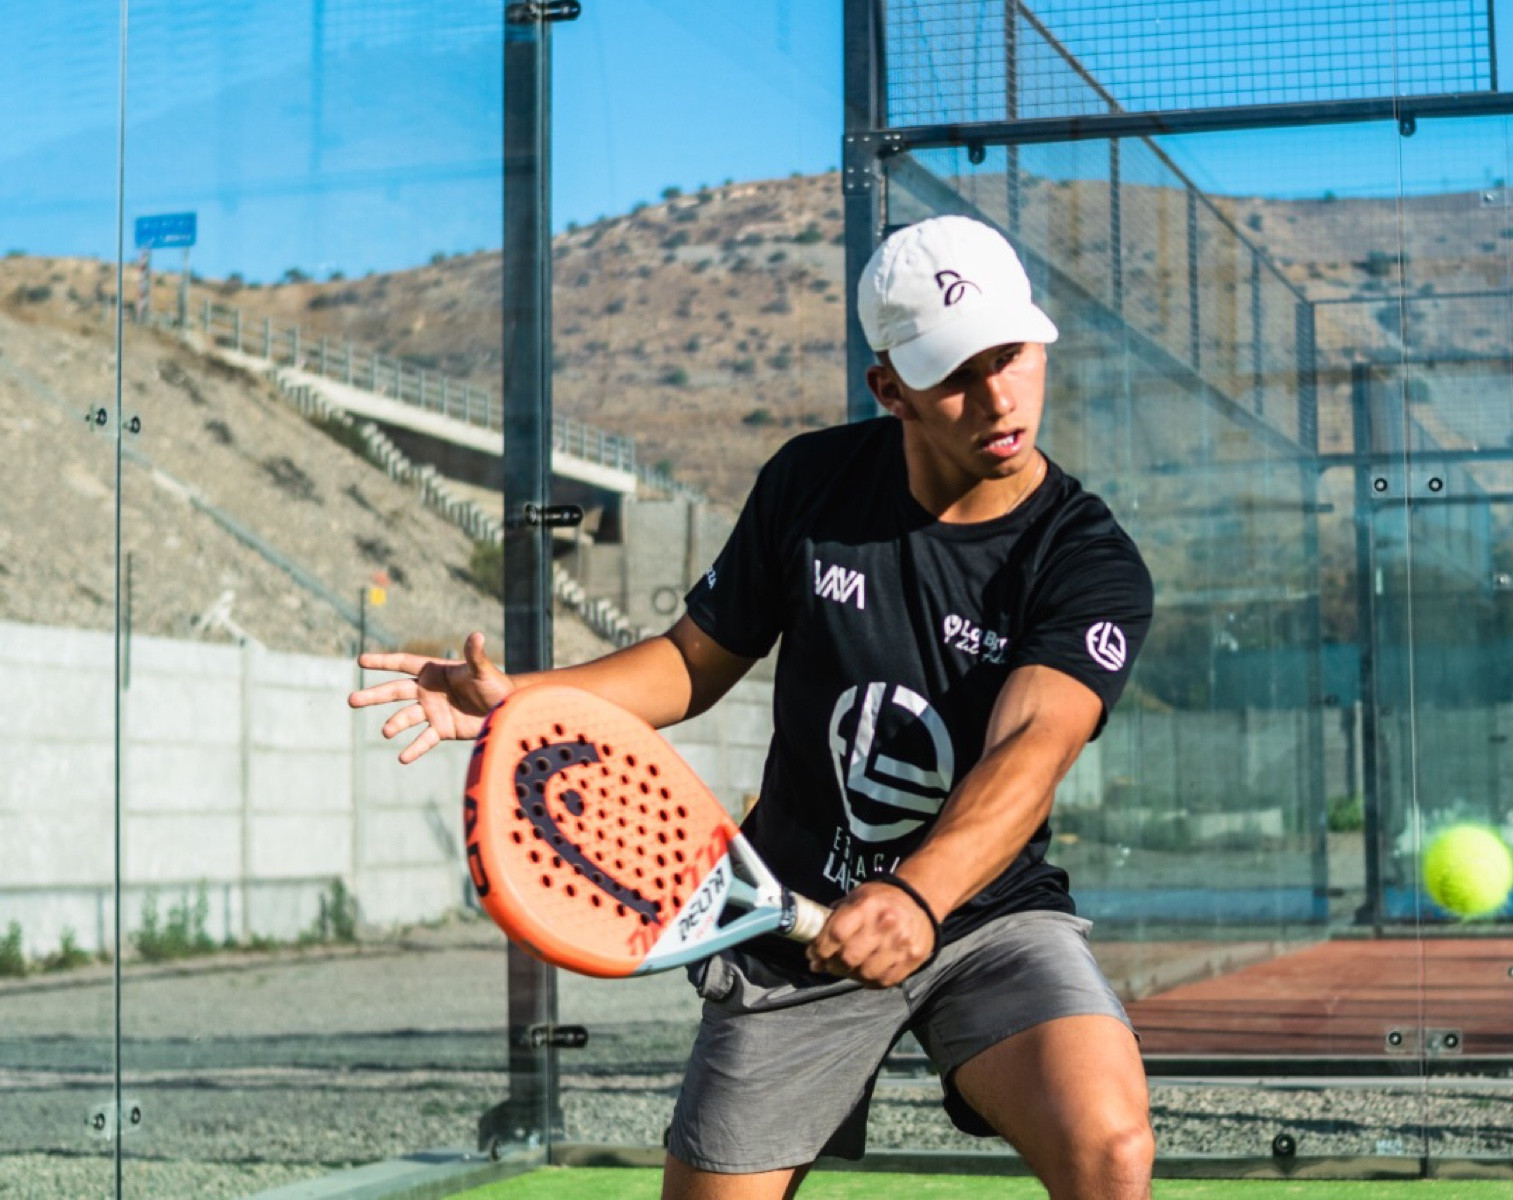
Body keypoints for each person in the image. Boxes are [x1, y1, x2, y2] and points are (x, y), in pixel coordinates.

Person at [350, 214, 1157, 1199]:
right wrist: (522, 702)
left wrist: (916, 896)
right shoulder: (809, 484)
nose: (997, 396)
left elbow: (1032, 745)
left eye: (1012, 355)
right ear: (890, 389)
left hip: (987, 920)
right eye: (955, 373)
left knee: (1111, 1148)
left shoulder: (1085, 557)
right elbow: (691, 664)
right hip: (791, 929)